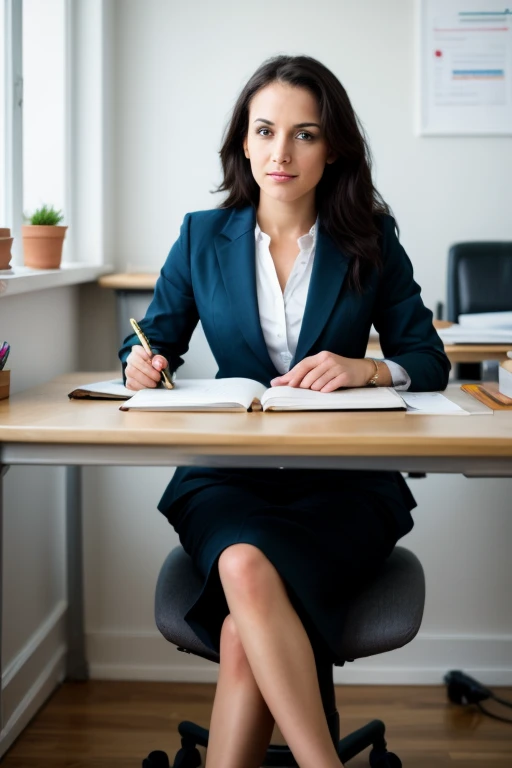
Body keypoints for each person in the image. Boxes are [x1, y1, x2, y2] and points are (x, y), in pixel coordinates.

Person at [119, 55, 450, 768]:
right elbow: (153, 337)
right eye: (265, 130)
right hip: (228, 480)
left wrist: (366, 367)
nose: (281, 151)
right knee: (243, 565)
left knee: (244, 619)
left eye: (304, 134)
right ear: (243, 140)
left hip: (343, 484)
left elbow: (428, 359)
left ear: (332, 149)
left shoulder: (370, 237)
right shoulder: (203, 236)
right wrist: (140, 362)